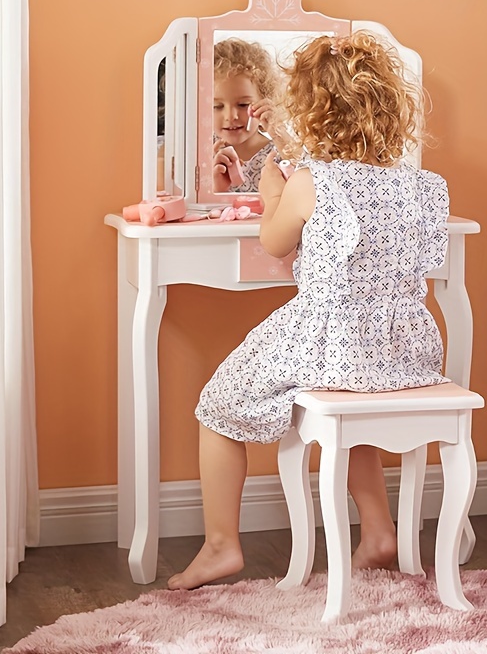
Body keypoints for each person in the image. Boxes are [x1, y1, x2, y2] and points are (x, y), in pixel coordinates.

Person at [168, 31, 450, 591]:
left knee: (216, 404)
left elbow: (275, 242)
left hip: (330, 336)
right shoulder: (422, 185)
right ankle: (378, 530)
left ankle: (222, 544)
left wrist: (272, 189)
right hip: (403, 348)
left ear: (311, 115)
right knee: (354, 401)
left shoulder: (308, 182)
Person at [212, 38, 287, 193]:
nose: (230, 116)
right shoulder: (199, 154)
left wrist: (281, 137)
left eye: (243, 105)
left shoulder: (279, 153)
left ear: (266, 99)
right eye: (217, 106)